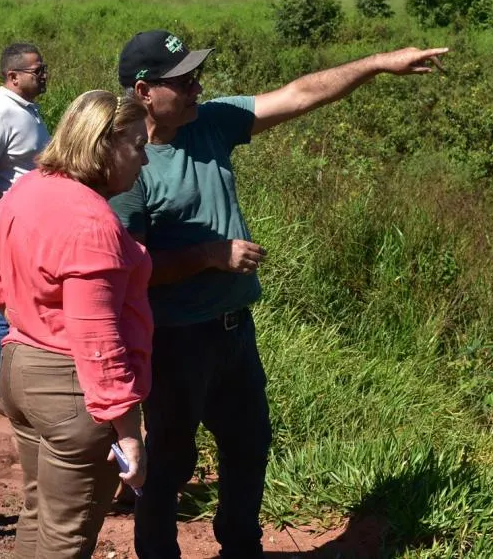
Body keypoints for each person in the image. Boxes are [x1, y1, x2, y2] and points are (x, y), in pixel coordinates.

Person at [109, 30, 448, 559]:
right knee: (170, 461)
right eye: (184, 80)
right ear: (145, 91)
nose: (199, 87)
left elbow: (298, 94)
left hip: (232, 329)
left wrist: (380, 62)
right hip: (174, 340)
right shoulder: (127, 165)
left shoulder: (211, 121)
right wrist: (207, 255)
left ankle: (241, 548)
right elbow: (127, 271)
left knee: (248, 446)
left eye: (197, 75)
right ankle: (158, 552)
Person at [0, 90, 153, 558]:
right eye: (137, 144)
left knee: (39, 514)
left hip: (21, 369)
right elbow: (98, 344)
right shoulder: (92, 224)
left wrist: (10, 305)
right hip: (71, 388)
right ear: (103, 144)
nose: (144, 159)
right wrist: (129, 432)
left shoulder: (33, 185)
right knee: (66, 537)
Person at [0, 42, 51, 416]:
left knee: (25, 301)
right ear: (13, 76)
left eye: (44, 68)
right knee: (7, 305)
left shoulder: (27, 111)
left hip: (31, 222)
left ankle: (15, 381)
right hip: (9, 220)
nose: (44, 75)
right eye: (37, 71)